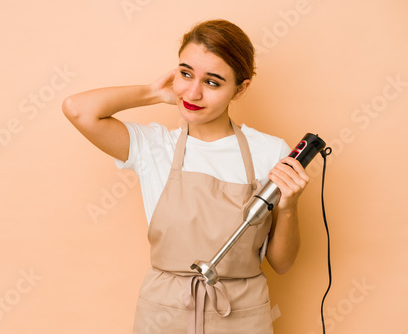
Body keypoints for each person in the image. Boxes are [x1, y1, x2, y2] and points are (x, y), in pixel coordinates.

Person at [63, 19, 309, 334]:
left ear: (241, 88)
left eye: (213, 82)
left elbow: (282, 263)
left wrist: (289, 206)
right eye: (186, 73)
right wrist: (152, 92)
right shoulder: (152, 147)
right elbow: (77, 109)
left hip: (242, 312)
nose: (193, 93)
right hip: (164, 311)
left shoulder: (270, 151)